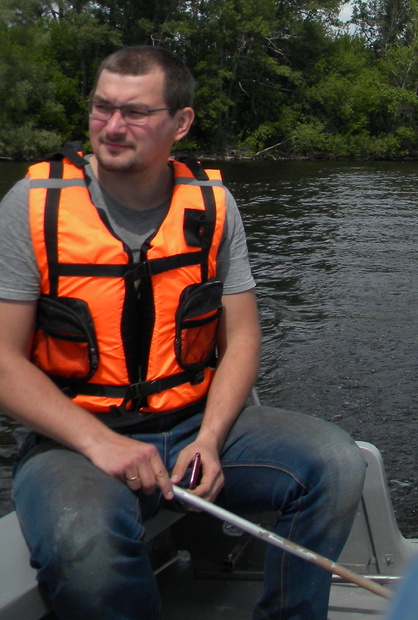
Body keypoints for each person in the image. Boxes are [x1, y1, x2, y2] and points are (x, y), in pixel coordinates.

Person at [0, 46, 367, 620]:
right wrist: (102, 443)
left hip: (194, 422)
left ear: (181, 122)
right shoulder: (32, 206)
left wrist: (210, 440)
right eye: (102, 108)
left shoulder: (213, 206)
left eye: (136, 113)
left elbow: (241, 339)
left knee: (336, 464)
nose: (113, 127)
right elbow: (3, 361)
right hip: (74, 440)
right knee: (85, 550)